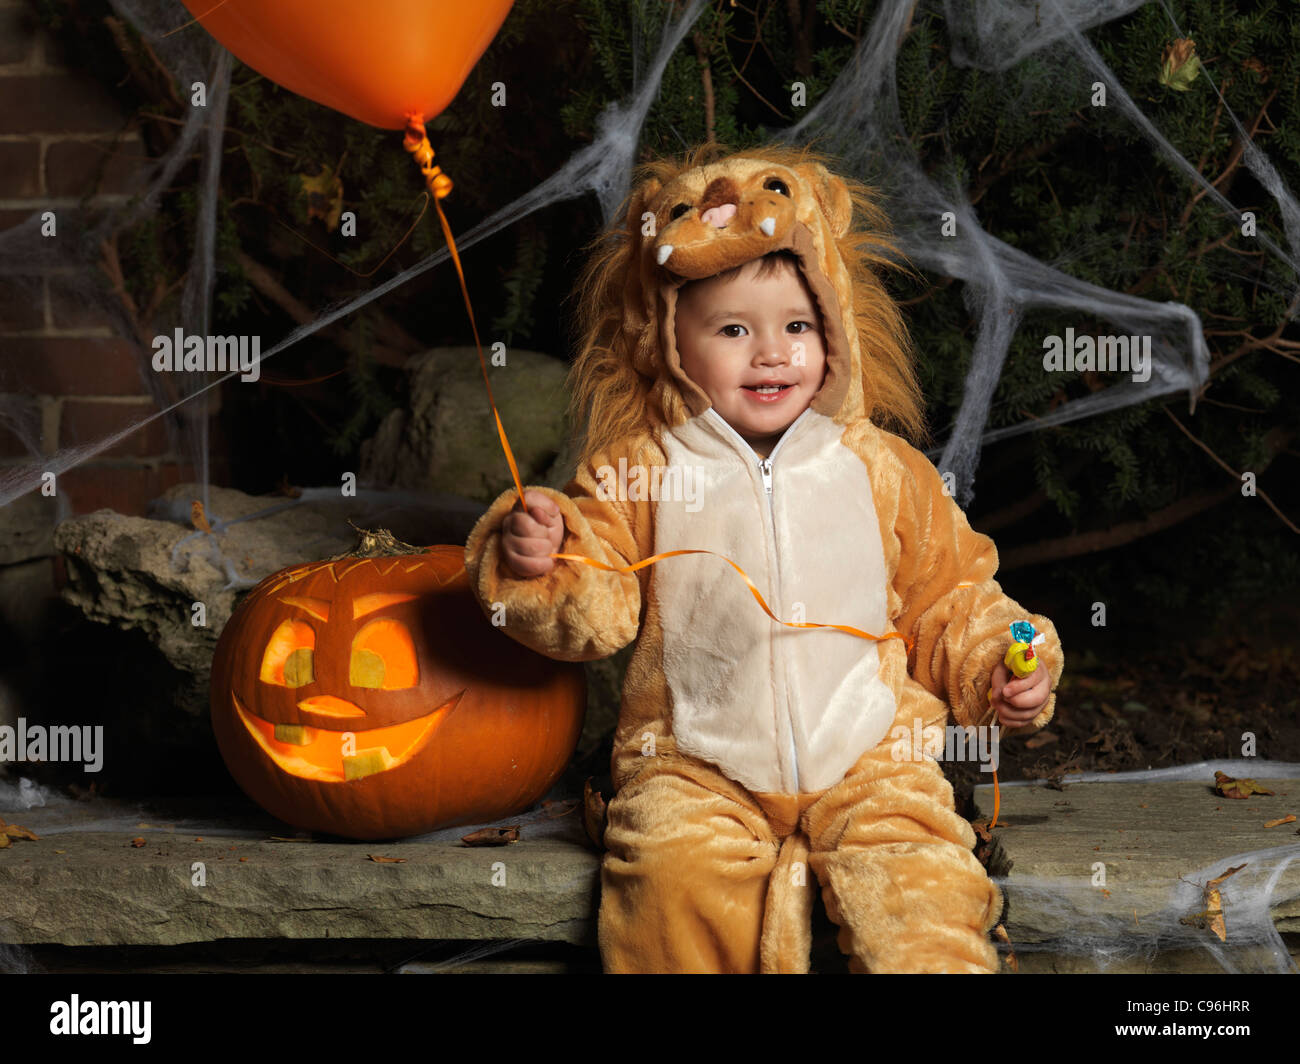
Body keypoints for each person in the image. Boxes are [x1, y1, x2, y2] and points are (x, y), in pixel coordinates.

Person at [463, 141, 1062, 973]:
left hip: (875, 756)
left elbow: (951, 595)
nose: (773, 353)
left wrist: (1001, 662)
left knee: (924, 896)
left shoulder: (881, 469)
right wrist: (542, 561)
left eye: (798, 327)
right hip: (696, 764)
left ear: (836, 330)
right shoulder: (642, 468)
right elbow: (596, 603)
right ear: (669, 341)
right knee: (668, 890)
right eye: (734, 329)